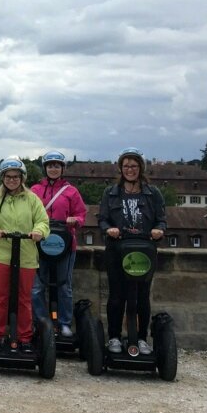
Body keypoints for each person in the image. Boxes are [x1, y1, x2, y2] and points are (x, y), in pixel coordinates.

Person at [97, 147, 167, 355]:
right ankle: (114, 337)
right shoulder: (110, 193)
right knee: (116, 295)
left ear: (141, 168)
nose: (130, 169)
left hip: (143, 250)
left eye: (134, 166)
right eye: (126, 166)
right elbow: (102, 219)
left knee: (142, 297)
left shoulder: (153, 193)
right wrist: (108, 229)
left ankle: (142, 338)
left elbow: (161, 220)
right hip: (117, 249)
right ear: (120, 168)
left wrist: (159, 230)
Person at [0, 157, 49, 352]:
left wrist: (39, 231)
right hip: (1, 254)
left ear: (22, 178)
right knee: (0, 296)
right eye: (8, 177)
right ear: (3, 178)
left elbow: (43, 221)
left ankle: (25, 337)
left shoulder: (32, 199)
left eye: (16, 177)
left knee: (24, 298)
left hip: (26, 255)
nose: (12, 180)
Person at [29, 150, 87, 337]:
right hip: (40, 244)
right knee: (37, 287)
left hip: (64, 245)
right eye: (50, 166)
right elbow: (28, 213)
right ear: (45, 168)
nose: (53, 169)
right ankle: (40, 321)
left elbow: (81, 214)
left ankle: (64, 323)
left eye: (56, 166)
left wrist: (75, 220)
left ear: (62, 168)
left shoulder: (71, 191)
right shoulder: (35, 190)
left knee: (64, 286)